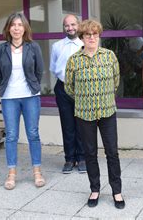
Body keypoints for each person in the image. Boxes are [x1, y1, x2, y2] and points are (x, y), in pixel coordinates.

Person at [64, 19, 125, 209]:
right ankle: (95, 189)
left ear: (99, 36)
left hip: (107, 112)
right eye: (88, 35)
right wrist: (86, 99)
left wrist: (103, 97)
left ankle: (117, 191)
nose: (91, 38)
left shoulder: (109, 56)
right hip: (84, 114)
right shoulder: (74, 60)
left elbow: (116, 81)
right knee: (90, 153)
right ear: (82, 37)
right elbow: (69, 87)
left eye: (95, 34)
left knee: (112, 152)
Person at [0, 12, 45, 190]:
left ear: (25, 28)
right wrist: (4, 88)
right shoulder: (1, 49)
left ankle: (37, 172)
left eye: (20, 25)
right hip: (9, 97)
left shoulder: (33, 47)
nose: (16, 28)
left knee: (33, 134)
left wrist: (33, 86)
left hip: (30, 96)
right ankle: (11, 174)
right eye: (13, 25)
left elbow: (40, 71)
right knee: (12, 136)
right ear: (8, 28)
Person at [50, 14, 86, 174]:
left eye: (73, 24)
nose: (70, 28)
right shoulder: (57, 46)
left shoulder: (85, 44)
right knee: (67, 125)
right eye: (67, 25)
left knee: (82, 124)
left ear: (78, 25)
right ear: (63, 27)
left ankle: (83, 157)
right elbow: (53, 68)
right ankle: (69, 159)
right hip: (63, 88)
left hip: (82, 89)